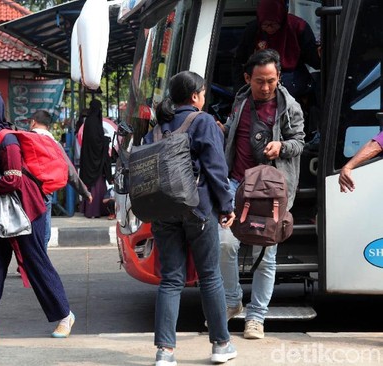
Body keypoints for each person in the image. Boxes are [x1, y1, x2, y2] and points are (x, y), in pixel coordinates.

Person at [0, 86, 75, 345]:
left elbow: (13, 179)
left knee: (35, 262)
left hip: (25, 208)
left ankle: (65, 316)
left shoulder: (6, 139)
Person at [146, 72, 237, 366]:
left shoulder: (158, 127)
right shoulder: (203, 121)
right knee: (210, 276)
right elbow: (215, 169)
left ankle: (165, 352)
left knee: (171, 278)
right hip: (198, 209)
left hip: (162, 210)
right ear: (197, 95)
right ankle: (221, 345)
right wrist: (226, 206)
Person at [219, 49, 305, 340]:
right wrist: (222, 130)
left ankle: (256, 317)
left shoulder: (290, 107)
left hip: (270, 191)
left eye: (271, 80)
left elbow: (299, 142)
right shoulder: (240, 101)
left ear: (279, 76)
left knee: (265, 256)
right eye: (259, 81)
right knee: (224, 244)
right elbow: (232, 131)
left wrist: (282, 147)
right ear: (248, 78)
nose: (266, 87)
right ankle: (233, 300)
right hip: (236, 183)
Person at [28, 109, 92, 249]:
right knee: (43, 233)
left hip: (24, 193)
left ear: (33, 123)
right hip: (44, 193)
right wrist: (84, 192)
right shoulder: (53, 143)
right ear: (49, 126)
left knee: (27, 232)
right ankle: (38, 265)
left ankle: (28, 264)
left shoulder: (24, 139)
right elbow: (69, 170)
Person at [232, 0, 320, 100]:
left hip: (292, 76)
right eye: (265, 25)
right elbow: (240, 61)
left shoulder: (297, 27)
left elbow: (312, 58)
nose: (269, 29)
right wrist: (240, 91)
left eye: (273, 24)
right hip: (261, 75)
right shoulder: (253, 30)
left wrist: (319, 54)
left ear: (282, 20)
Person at [79, 99, 112, 218]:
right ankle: (95, 210)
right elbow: (96, 142)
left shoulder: (89, 121)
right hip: (95, 162)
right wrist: (105, 141)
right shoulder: (94, 122)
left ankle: (91, 209)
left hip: (89, 160)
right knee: (97, 185)